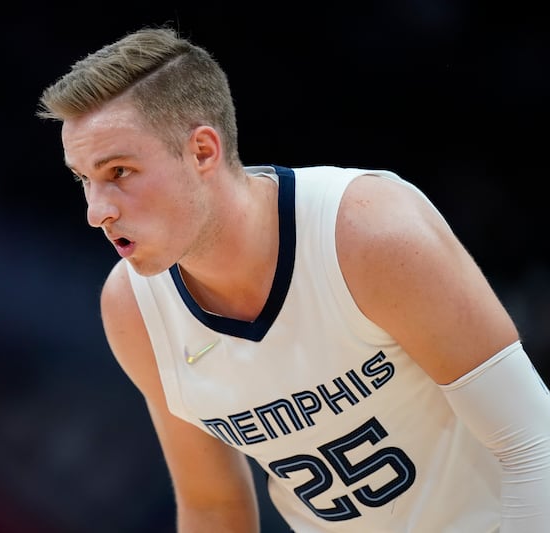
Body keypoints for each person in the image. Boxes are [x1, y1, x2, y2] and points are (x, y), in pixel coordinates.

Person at [36, 25, 550, 532]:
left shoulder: (368, 233)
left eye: (118, 172)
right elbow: (215, 509)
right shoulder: (133, 308)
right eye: (84, 179)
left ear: (202, 152)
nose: (95, 211)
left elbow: (533, 444)